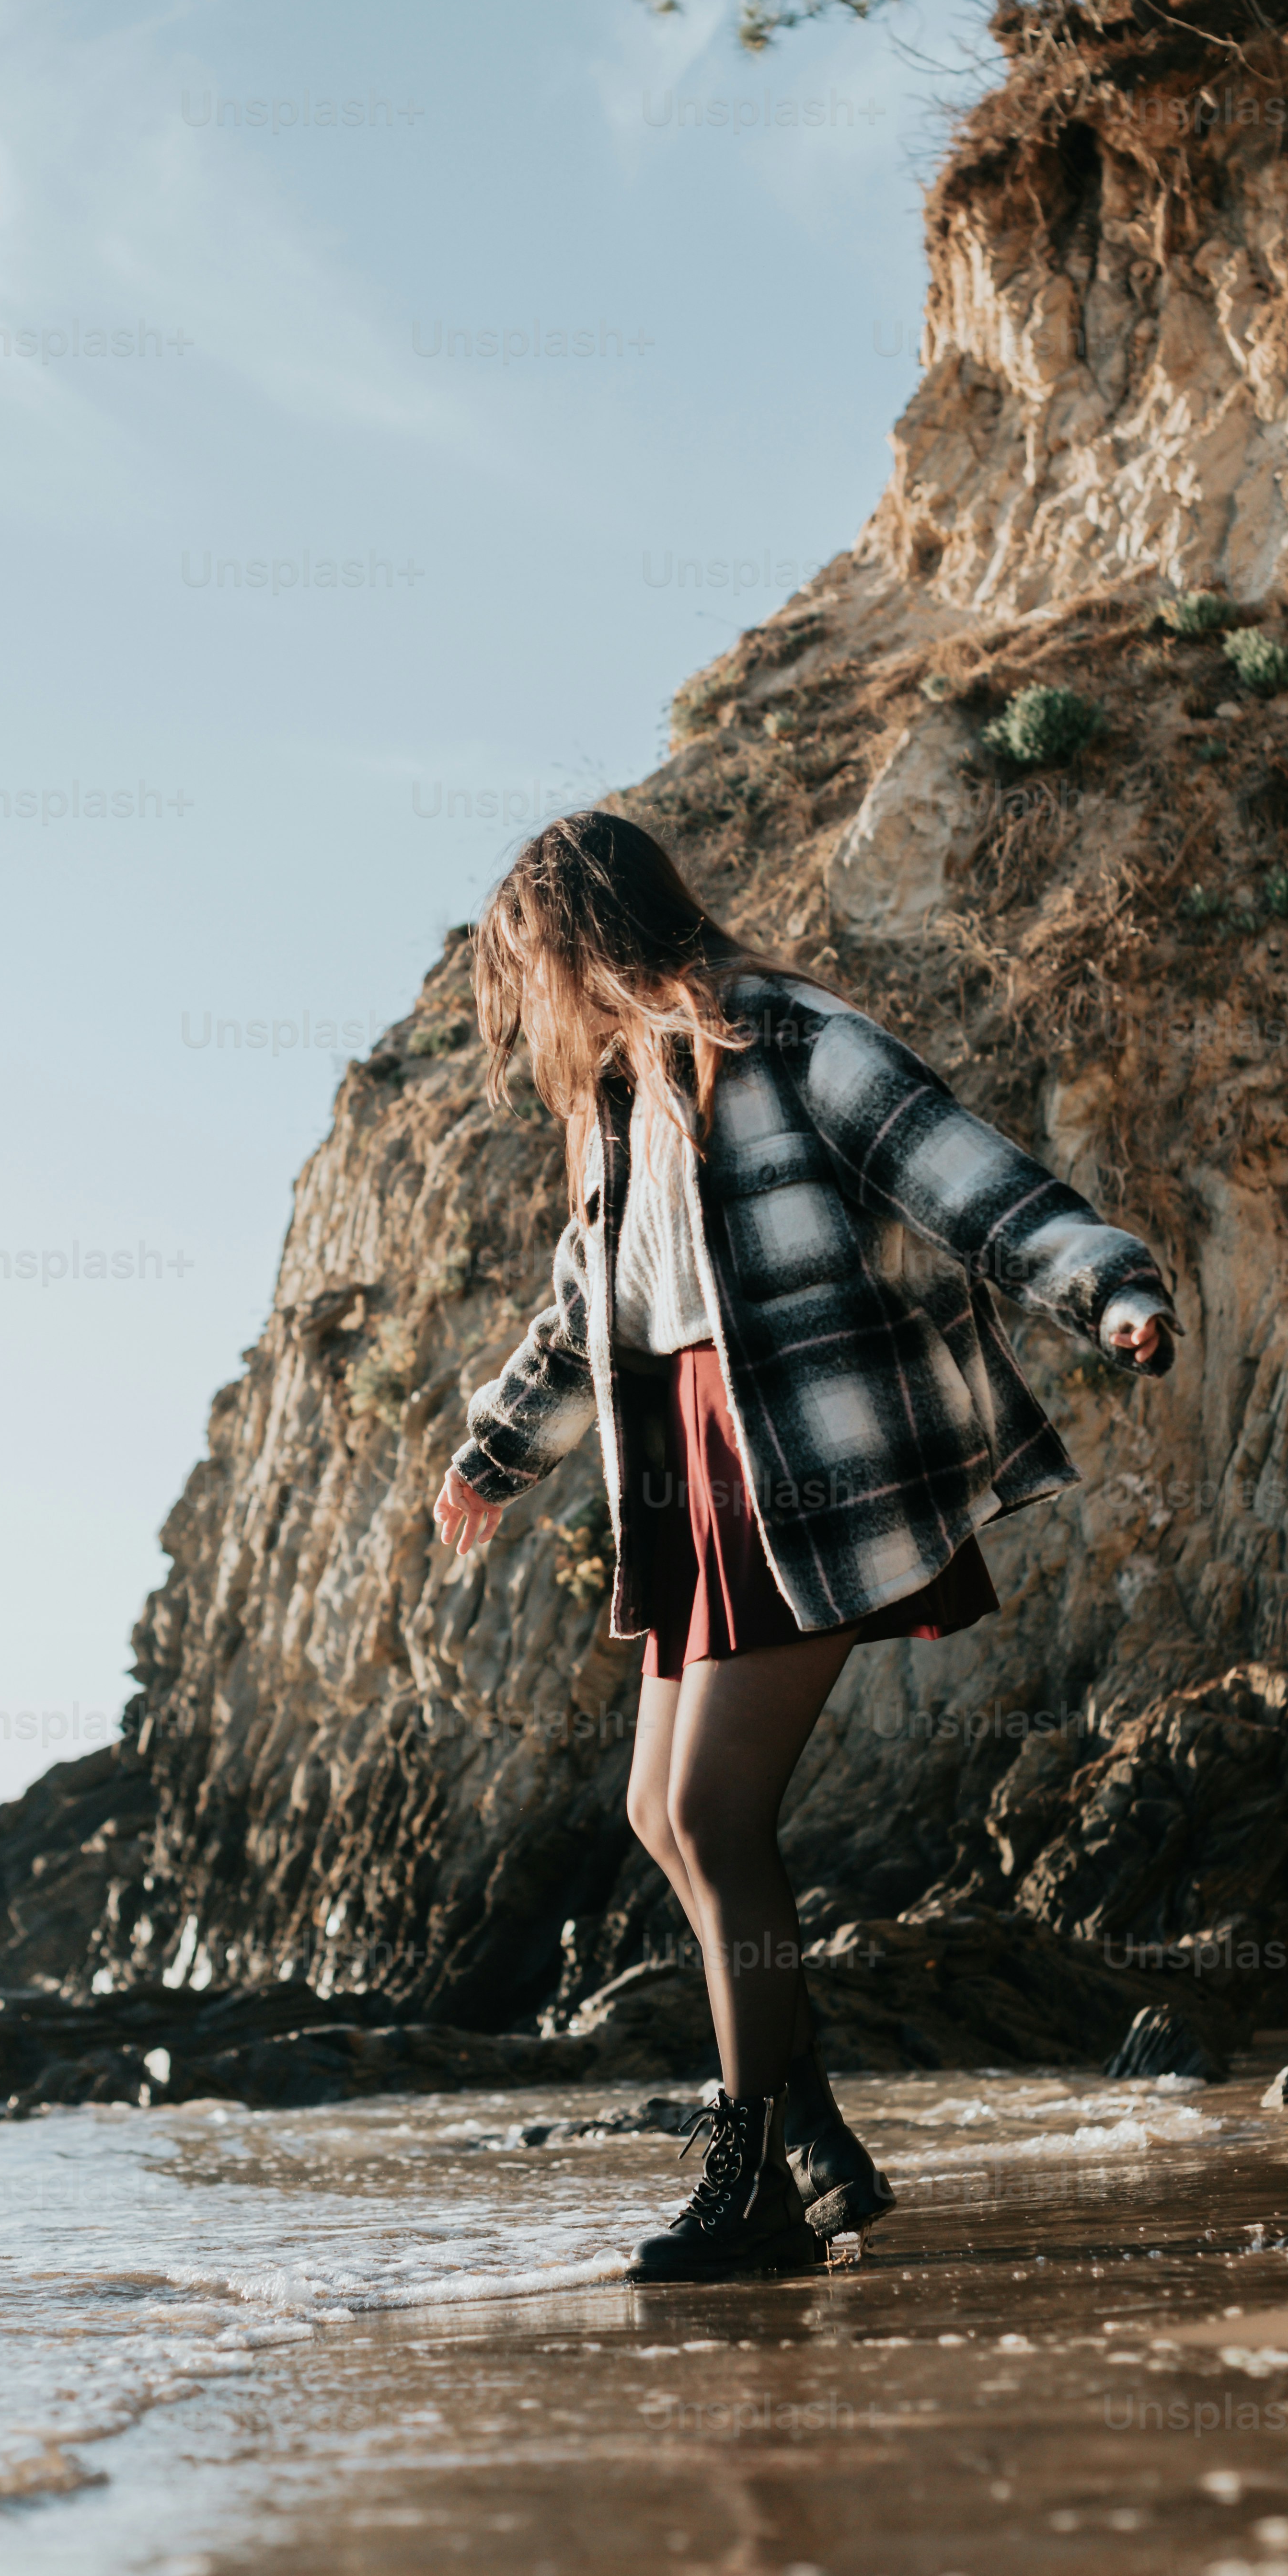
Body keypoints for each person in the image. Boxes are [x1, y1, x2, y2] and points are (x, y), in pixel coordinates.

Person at [432, 811, 1180, 2284]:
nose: (530, 1001)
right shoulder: (612, 1105)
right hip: (690, 1473)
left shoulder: (789, 1036)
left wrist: (1108, 1287)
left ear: (590, 941)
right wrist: (491, 1458)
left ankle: (751, 2174)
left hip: (810, 1456)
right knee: (661, 1813)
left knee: (713, 1814)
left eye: (533, 965)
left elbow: (958, 1173)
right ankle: (813, 2148)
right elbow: (585, 1307)